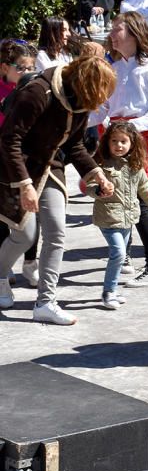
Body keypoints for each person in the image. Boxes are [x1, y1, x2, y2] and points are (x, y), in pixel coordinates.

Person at [0, 55, 116, 323]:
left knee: (56, 233)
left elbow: (74, 145)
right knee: (24, 236)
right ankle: (1, 276)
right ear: (82, 83)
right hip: (16, 168)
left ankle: (45, 302)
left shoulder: (80, 98)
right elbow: (9, 140)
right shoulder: (39, 92)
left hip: (50, 166)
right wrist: (25, 184)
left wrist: (96, 173)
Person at [90, 12, 148, 288]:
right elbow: (102, 107)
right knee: (115, 199)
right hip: (116, 141)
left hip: (145, 143)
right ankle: (124, 256)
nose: (112, 34)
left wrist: (128, 127)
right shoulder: (112, 68)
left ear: (134, 34)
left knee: (139, 203)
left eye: (117, 29)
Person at [91, 122, 148, 309]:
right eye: (114, 141)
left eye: (123, 141)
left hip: (128, 218)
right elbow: (88, 186)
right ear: (107, 142)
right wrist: (98, 190)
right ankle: (107, 293)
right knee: (119, 253)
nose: (119, 145)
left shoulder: (135, 165)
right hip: (108, 217)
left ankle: (113, 290)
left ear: (132, 143)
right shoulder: (101, 164)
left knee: (119, 257)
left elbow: (144, 187)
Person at [0, 40, 38, 287]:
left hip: (27, 158)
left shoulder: (32, 88)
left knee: (33, 211)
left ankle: (30, 262)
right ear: (5, 66)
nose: (27, 72)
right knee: (5, 216)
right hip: (3, 158)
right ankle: (5, 267)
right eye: (20, 67)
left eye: (30, 67)